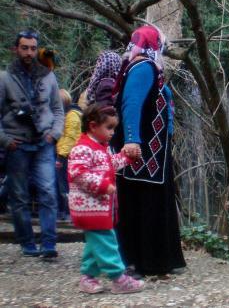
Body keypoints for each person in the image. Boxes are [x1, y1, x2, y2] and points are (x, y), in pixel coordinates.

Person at [112, 25, 186, 275]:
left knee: (141, 200)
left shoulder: (139, 66)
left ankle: (147, 259)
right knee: (144, 201)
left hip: (151, 155)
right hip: (144, 155)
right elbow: (131, 102)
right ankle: (145, 260)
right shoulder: (144, 67)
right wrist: (132, 139)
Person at [0, 29, 64, 258]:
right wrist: (6, 140)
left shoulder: (48, 76)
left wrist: (55, 133)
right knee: (19, 196)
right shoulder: (4, 78)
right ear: (16, 49)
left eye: (33, 48)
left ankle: (49, 244)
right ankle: (27, 242)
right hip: (17, 145)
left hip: (44, 143)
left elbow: (58, 109)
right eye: (24, 48)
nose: (29, 52)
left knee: (48, 191)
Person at [68, 103, 144, 294]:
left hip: (99, 208)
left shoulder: (101, 147)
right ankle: (118, 278)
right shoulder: (83, 148)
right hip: (89, 207)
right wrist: (101, 185)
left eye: (114, 128)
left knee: (95, 243)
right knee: (107, 242)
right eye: (109, 127)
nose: (112, 132)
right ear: (93, 126)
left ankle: (87, 278)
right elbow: (77, 172)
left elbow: (111, 164)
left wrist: (127, 158)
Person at [55, 89, 83, 221]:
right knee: (63, 185)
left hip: (67, 155)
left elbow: (70, 138)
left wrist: (61, 156)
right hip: (67, 154)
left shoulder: (72, 116)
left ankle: (67, 212)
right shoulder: (71, 114)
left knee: (64, 185)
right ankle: (63, 211)